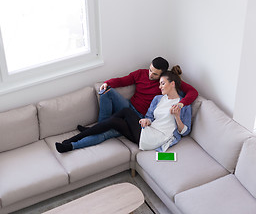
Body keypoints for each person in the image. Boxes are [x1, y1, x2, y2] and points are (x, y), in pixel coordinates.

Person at [64, 57, 198, 151]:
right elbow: (123, 80)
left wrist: (181, 104)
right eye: (150, 70)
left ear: (163, 75)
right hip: (128, 107)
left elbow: (192, 92)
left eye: (155, 74)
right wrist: (107, 83)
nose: (150, 74)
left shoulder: (165, 85)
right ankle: (100, 125)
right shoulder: (143, 75)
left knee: (107, 132)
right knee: (106, 92)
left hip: (139, 117)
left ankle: (73, 144)